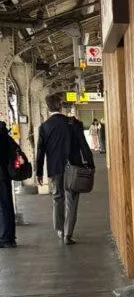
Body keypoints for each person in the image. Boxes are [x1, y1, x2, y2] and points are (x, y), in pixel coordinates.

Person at [35, 92, 93, 245]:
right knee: (71, 200)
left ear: (48, 108)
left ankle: (59, 230)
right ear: (60, 106)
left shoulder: (44, 127)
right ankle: (68, 234)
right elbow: (84, 145)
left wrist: (38, 172)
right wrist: (90, 163)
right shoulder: (73, 123)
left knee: (57, 198)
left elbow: (40, 151)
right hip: (73, 167)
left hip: (55, 168)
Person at [0, 120, 18, 248]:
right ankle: (9, 236)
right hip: (4, 174)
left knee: (3, 207)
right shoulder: (3, 133)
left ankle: (5, 238)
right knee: (7, 205)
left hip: (1, 175)